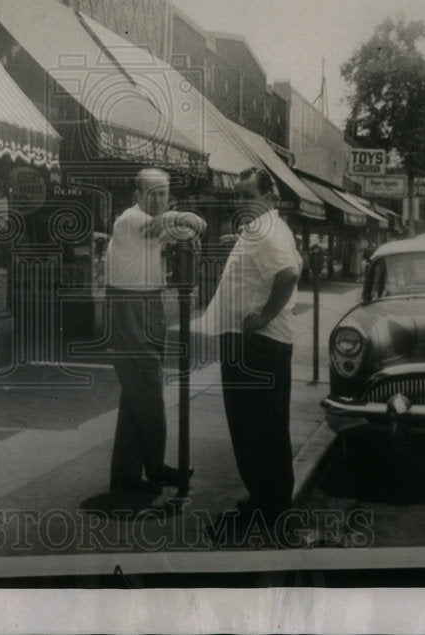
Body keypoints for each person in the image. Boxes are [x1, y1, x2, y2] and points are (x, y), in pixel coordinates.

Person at [202, 167, 303, 529]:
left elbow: (288, 274)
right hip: (254, 343)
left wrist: (262, 317)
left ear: (269, 198)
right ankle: (267, 501)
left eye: (249, 196)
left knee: (255, 428)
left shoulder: (267, 232)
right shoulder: (261, 229)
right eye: (238, 196)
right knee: (259, 428)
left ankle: (269, 508)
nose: (242, 202)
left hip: (258, 343)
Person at [105, 168, 206, 499]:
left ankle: (125, 473)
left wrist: (183, 218)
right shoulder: (130, 221)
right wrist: (183, 218)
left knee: (136, 396)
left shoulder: (156, 220)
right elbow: (188, 228)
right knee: (149, 392)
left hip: (150, 303)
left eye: (164, 193)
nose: (159, 199)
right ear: (137, 195)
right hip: (130, 307)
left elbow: (194, 226)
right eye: (152, 193)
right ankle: (157, 467)